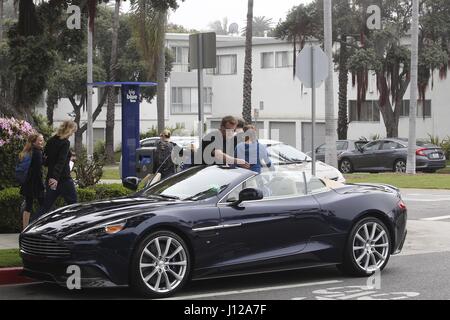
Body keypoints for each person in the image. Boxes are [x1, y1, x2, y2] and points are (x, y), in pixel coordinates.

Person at [33, 121, 78, 221]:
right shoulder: (65, 143)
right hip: (63, 180)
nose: (72, 134)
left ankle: (30, 227)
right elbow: (61, 162)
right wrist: (55, 177)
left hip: (51, 179)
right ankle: (74, 228)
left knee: (46, 207)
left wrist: (53, 176)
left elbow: (46, 161)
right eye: (73, 131)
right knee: (74, 205)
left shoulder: (51, 141)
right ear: (69, 130)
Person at [18, 134, 45, 229]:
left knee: (28, 206)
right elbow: (38, 171)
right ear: (34, 142)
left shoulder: (30, 151)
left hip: (28, 183)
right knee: (45, 206)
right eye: (40, 140)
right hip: (36, 184)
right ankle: (40, 226)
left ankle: (25, 228)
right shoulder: (37, 153)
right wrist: (42, 185)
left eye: (42, 140)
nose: (42, 142)